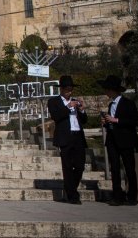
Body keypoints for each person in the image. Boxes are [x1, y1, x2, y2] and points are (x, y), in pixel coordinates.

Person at [99, 75, 138, 206]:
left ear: (112, 90)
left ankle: (132, 196)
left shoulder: (128, 103)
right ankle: (117, 195)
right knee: (114, 169)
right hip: (112, 141)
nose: (105, 92)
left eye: (106, 89)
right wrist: (106, 122)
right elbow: (112, 123)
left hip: (126, 140)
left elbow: (134, 121)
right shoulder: (111, 105)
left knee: (129, 168)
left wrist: (116, 120)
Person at [47, 75, 87, 204]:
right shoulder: (54, 102)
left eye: (71, 89)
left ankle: (70, 188)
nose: (69, 92)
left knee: (80, 166)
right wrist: (69, 106)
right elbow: (56, 116)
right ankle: (72, 195)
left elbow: (84, 121)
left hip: (78, 136)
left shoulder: (76, 101)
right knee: (68, 166)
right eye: (67, 89)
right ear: (62, 89)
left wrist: (82, 110)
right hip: (65, 137)